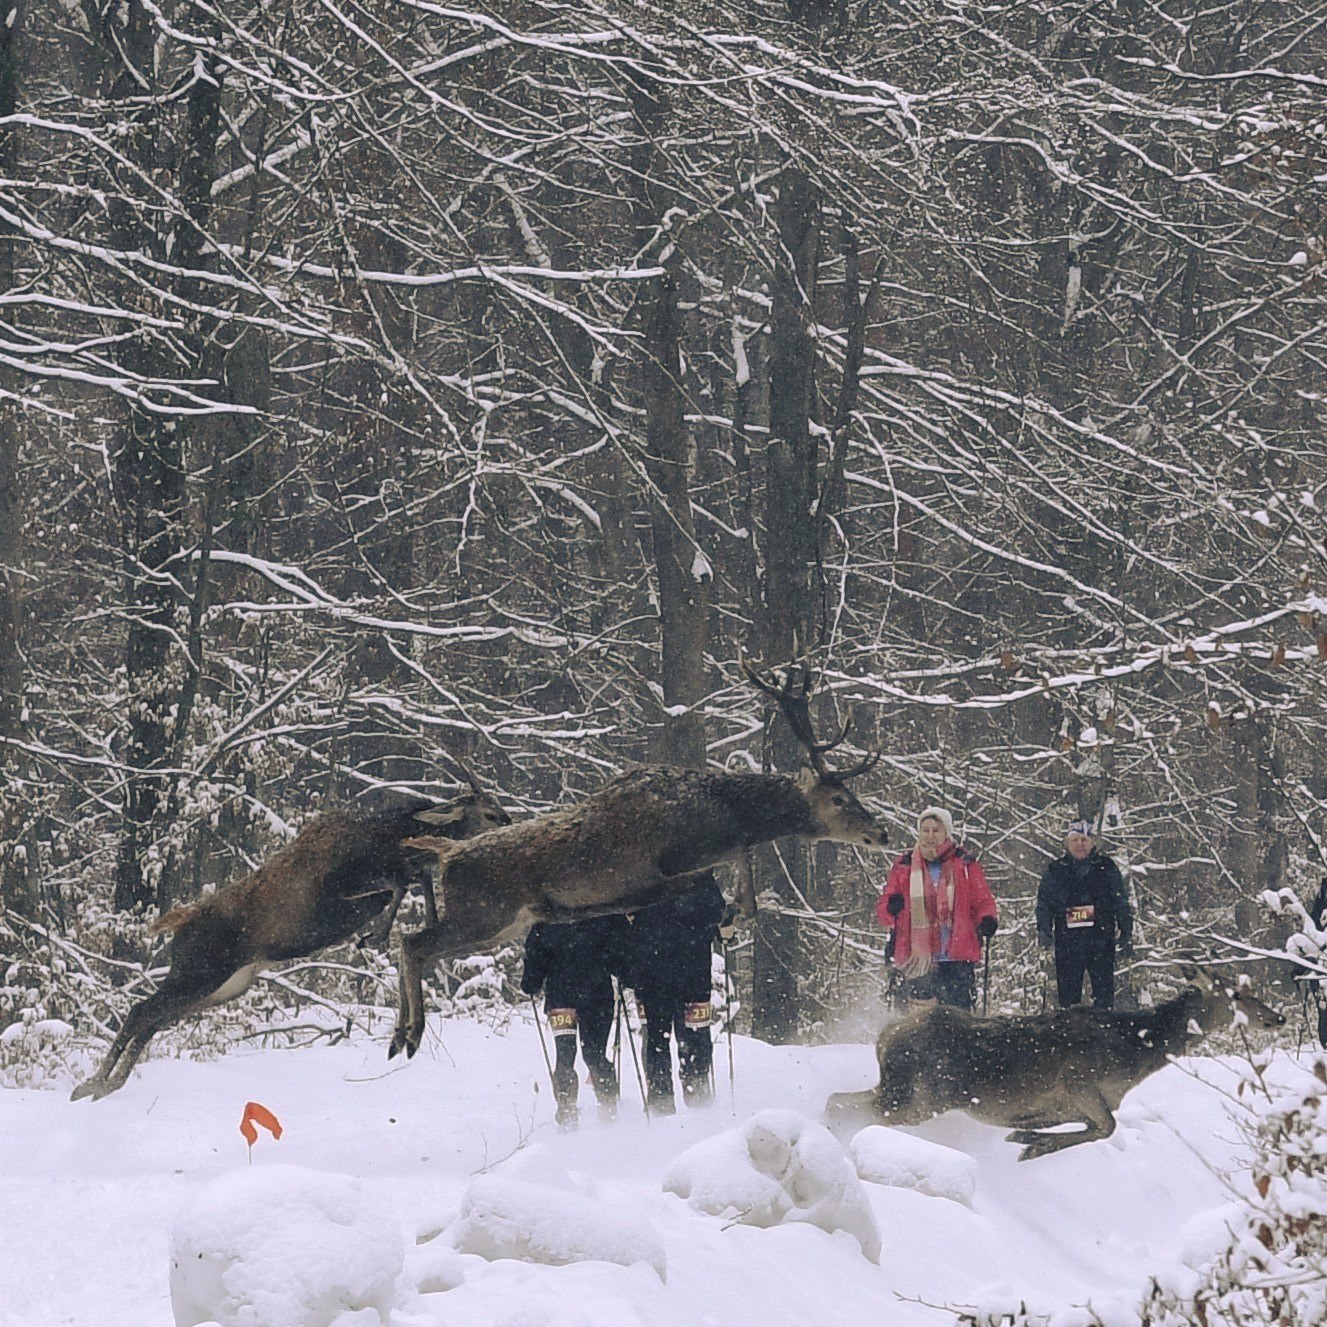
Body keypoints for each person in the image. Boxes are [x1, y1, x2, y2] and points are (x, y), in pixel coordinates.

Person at [620, 870, 734, 1115]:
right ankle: (675, 1102)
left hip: (678, 975)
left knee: (677, 1039)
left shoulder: (691, 876)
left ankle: (692, 1102)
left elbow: (719, 917)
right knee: (668, 1039)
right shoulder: (651, 879)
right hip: (668, 975)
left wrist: (724, 927)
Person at [877, 807, 998, 1010]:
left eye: (936, 830)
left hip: (956, 954)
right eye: (925, 830)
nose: (930, 836)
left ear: (946, 833)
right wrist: (891, 906)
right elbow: (884, 910)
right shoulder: (904, 865)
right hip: (916, 956)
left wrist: (987, 919)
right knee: (918, 1023)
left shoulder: (965, 863)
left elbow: (982, 900)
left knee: (958, 1017)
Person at [520, 915, 628, 1129]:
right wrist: (625, 970)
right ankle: (604, 1107)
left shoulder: (549, 916)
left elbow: (536, 952)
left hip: (568, 996)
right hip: (593, 996)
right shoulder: (600, 910)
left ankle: (569, 1111)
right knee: (591, 1055)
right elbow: (619, 950)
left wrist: (531, 981)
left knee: (569, 1056)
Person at [1035, 819, 1133, 1011]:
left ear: (1092, 842)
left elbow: (1121, 902)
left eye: (1084, 840)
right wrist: (1044, 931)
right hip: (1068, 944)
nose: (1080, 844)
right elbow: (1044, 905)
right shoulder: (1056, 870)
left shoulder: (1106, 867)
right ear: (1067, 843)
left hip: (1101, 941)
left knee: (1104, 1001)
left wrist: (1126, 930)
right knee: (1068, 1003)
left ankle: (1103, 1036)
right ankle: (1069, 1038)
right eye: (1075, 840)